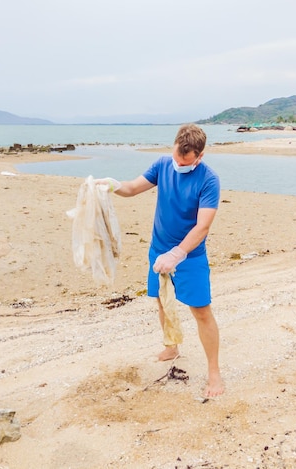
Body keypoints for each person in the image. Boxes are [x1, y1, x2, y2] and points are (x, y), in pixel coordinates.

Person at [97, 124, 224, 398]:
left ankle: (214, 372)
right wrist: (113, 185)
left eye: (185, 162)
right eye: (177, 157)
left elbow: (202, 226)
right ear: (174, 147)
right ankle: (172, 346)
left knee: (201, 311)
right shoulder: (163, 165)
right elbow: (132, 188)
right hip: (158, 249)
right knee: (162, 301)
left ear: (199, 157)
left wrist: (178, 253)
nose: (179, 164)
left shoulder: (209, 180)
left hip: (189, 256)